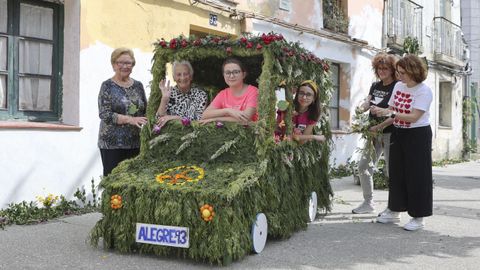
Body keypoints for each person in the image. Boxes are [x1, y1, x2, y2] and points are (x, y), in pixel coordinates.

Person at [371, 54, 433, 231]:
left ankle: (418, 216)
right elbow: (392, 111)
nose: (399, 76)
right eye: (398, 72)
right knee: (397, 173)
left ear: (414, 71)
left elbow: (414, 116)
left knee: (417, 175)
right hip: (399, 132)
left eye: (403, 72)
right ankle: (395, 210)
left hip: (418, 135)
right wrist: (380, 125)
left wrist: (388, 113)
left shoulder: (424, 91)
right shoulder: (399, 86)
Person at [352, 53, 398, 214]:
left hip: (390, 133)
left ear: (392, 70)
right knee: (363, 166)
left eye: (385, 68)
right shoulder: (375, 86)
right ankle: (368, 202)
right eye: (379, 68)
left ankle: (393, 207)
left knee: (390, 171)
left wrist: (383, 115)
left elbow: (396, 112)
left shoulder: (397, 86)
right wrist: (360, 108)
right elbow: (368, 102)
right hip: (372, 132)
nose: (382, 71)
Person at [97, 48, 147, 176]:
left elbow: (145, 111)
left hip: (135, 143)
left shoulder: (138, 86)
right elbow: (105, 114)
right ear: (114, 65)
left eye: (129, 63)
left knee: (132, 182)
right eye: (121, 62)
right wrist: (130, 119)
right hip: (112, 145)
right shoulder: (107, 86)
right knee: (113, 183)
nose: (125, 66)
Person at [200, 58, 258, 124]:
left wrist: (216, 119)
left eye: (236, 72)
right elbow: (204, 115)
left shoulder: (253, 91)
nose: (231, 76)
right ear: (223, 75)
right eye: (227, 73)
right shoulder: (223, 94)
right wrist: (227, 111)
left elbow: (245, 118)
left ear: (243, 74)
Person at [155, 60, 208, 127]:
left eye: (185, 74)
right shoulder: (169, 93)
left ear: (191, 76)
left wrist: (173, 117)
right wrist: (164, 99)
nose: (182, 78)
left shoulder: (201, 95)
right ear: (174, 77)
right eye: (178, 74)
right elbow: (158, 119)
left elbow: (199, 120)